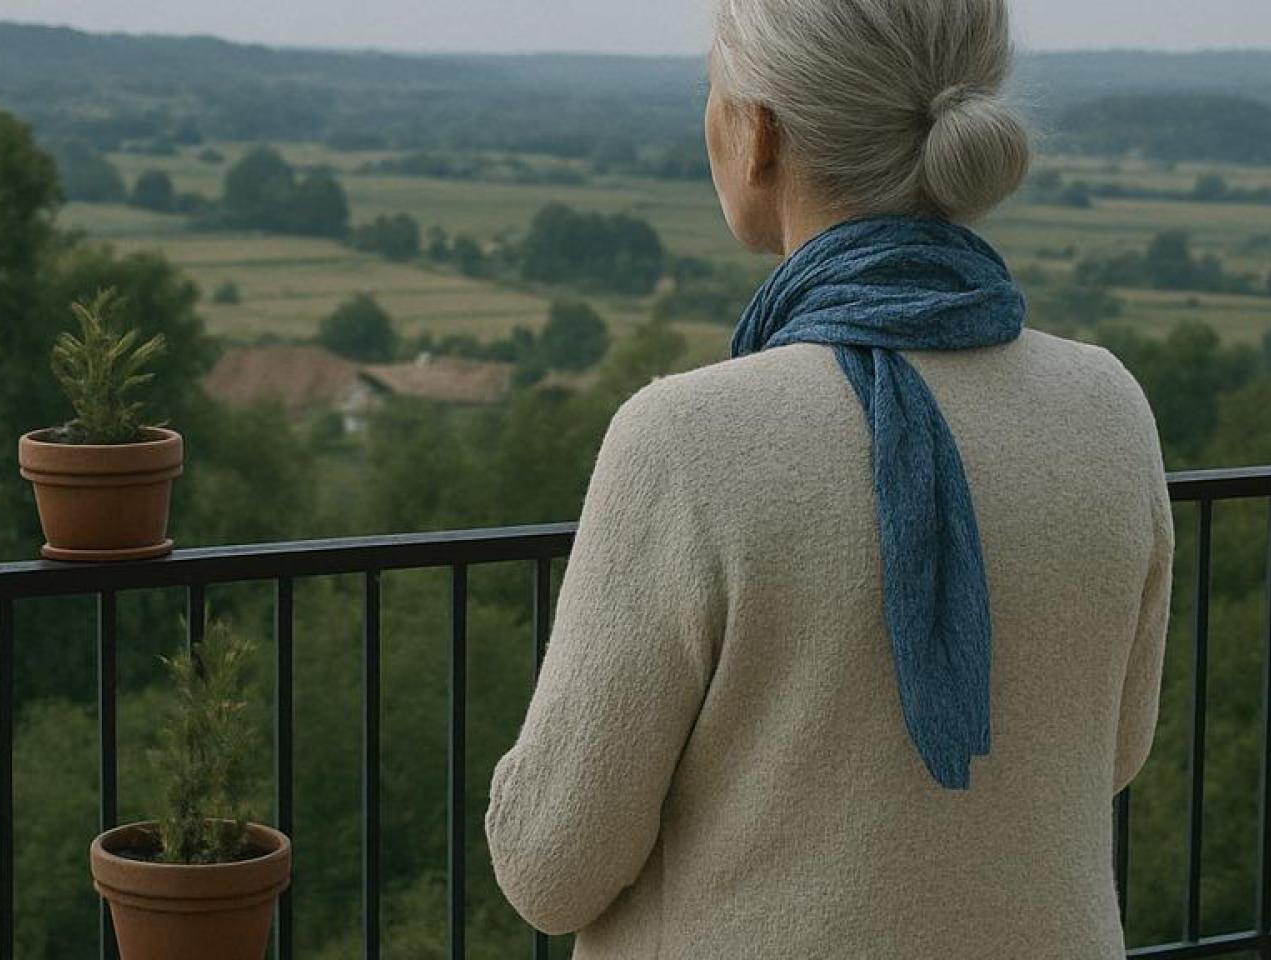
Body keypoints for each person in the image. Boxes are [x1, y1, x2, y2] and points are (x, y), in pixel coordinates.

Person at [486, 0, 1173, 955]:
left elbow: (551, 868)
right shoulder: (1108, 405)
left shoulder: (684, 440)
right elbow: (1110, 753)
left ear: (758, 133)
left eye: (711, 91)